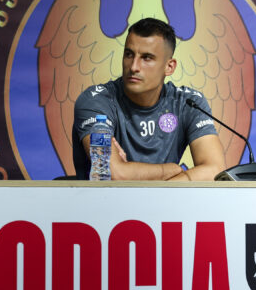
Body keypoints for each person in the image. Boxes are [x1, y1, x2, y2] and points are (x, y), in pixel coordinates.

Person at [72, 18, 226, 180]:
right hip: (104, 197)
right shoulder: (96, 101)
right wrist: (171, 170)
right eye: (129, 55)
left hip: (166, 197)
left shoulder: (188, 103)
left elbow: (215, 169)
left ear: (169, 67)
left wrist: (165, 188)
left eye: (146, 58)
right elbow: (110, 172)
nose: (133, 67)